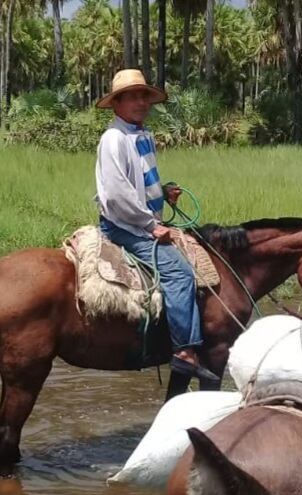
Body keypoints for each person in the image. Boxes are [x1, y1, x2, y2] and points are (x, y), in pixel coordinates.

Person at [94, 69, 219, 383]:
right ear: (117, 103)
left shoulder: (141, 135)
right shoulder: (114, 139)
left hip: (140, 220)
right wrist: (151, 225)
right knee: (180, 274)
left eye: (144, 96)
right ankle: (185, 351)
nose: (141, 103)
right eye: (132, 97)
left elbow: (136, 184)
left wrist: (162, 193)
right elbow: (117, 195)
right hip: (125, 225)